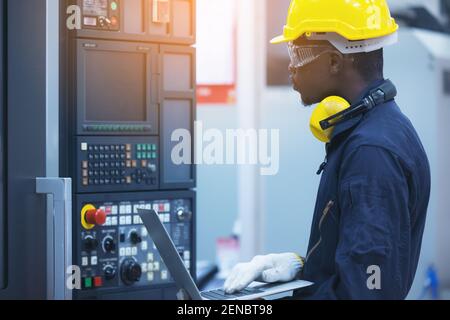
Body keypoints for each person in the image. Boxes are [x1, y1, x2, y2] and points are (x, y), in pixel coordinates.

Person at [224, 0, 431, 300]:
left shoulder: (371, 153)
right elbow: (362, 266)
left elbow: (365, 294)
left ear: (335, 61)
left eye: (298, 52)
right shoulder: (376, 130)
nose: (291, 65)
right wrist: (302, 268)